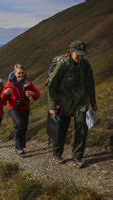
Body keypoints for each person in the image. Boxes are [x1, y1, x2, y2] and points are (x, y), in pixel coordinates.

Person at [48, 40, 97, 168]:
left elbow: (90, 84)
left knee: (82, 127)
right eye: (78, 55)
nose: (80, 57)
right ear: (71, 52)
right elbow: (52, 86)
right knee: (61, 129)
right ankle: (57, 153)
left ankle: (77, 157)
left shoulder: (85, 65)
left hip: (81, 102)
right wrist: (52, 106)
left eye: (82, 55)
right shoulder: (62, 64)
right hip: (63, 103)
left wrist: (93, 102)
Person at [2, 64, 40, 155]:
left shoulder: (28, 83)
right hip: (13, 108)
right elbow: (3, 98)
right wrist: (5, 93)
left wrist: (32, 94)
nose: (21, 75)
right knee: (20, 124)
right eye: (19, 73)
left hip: (25, 107)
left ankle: (21, 145)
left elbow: (38, 94)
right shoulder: (9, 83)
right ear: (15, 73)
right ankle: (18, 147)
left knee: (24, 127)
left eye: (22, 73)